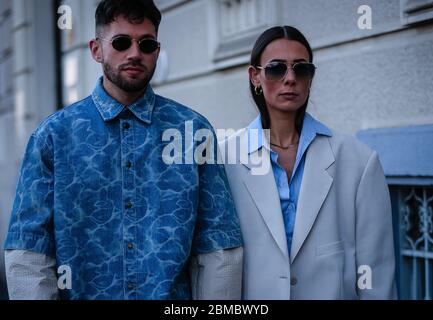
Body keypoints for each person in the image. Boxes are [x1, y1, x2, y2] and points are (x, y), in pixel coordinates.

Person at [4, 0, 242, 300]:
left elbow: (218, 246)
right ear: (95, 49)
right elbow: (30, 250)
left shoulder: (193, 132)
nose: (134, 53)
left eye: (147, 44)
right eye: (120, 42)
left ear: (157, 50)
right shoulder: (53, 136)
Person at [220, 26, 397, 299]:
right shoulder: (224, 160)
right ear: (255, 76)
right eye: (277, 68)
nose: (290, 78)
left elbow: (376, 272)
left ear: (311, 78)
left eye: (301, 69)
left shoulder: (359, 161)